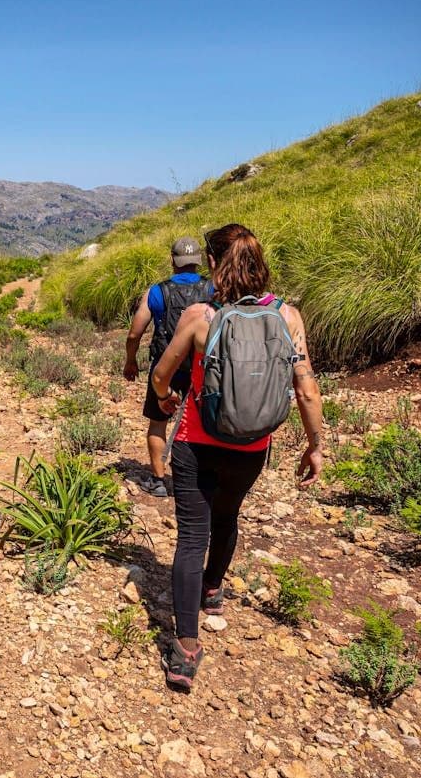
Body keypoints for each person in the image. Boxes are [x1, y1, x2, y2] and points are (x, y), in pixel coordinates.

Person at [151, 223, 323, 692]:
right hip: (251, 448)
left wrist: (167, 399)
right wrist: (315, 446)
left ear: (213, 264)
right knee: (228, 517)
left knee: (191, 538)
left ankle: (186, 650)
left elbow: (161, 377)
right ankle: (213, 590)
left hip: (195, 442)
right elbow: (305, 388)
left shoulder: (200, 318)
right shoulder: (289, 318)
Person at [123, 236, 212, 497]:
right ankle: (198, 480)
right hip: (201, 369)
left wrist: (131, 361)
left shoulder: (156, 292)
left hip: (165, 369)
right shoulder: (212, 289)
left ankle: (159, 480)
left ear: (172, 260)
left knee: (158, 422)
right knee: (203, 424)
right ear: (198, 261)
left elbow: (134, 334)